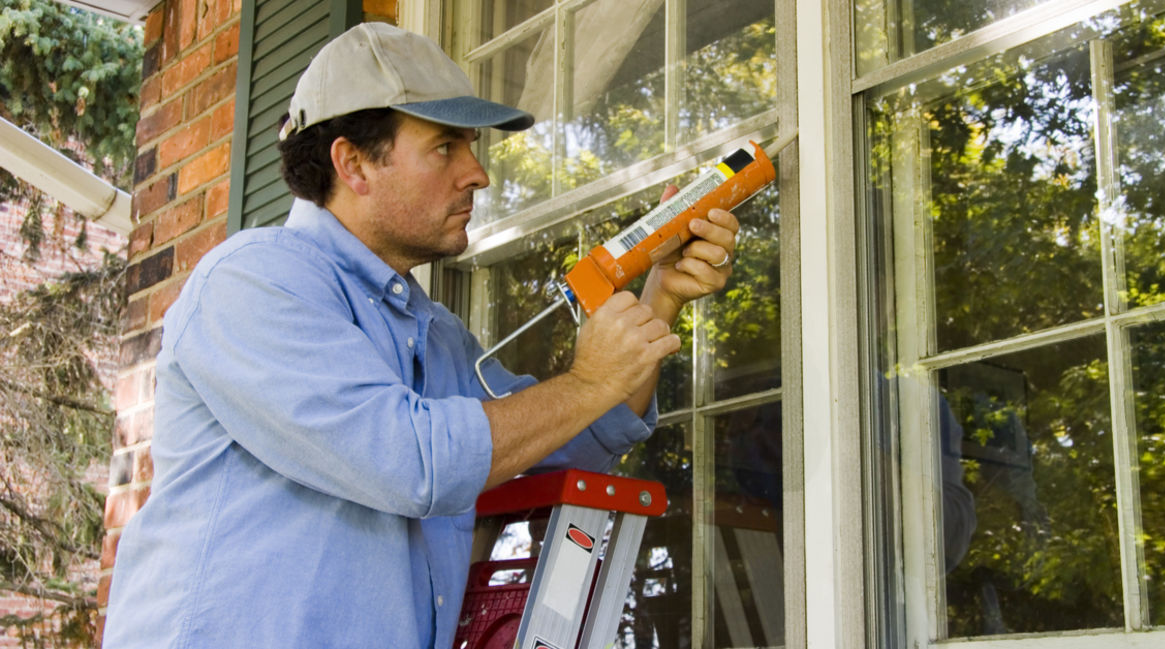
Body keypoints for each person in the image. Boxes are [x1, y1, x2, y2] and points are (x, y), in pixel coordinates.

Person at [102, 22, 739, 649]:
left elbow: (578, 440)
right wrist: (589, 381)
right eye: (445, 146)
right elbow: (411, 463)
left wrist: (660, 296)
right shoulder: (253, 283)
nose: (478, 173)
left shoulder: (439, 337)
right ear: (353, 162)